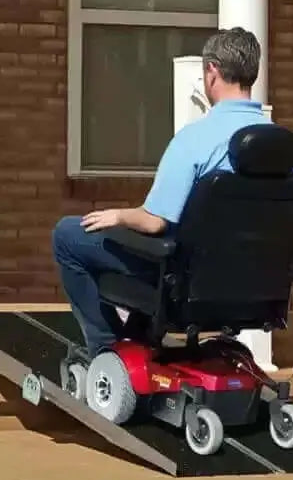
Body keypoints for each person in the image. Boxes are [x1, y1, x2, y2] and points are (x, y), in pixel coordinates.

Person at [52, 27, 273, 356]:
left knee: (68, 235)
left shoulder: (196, 139)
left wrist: (118, 216)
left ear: (211, 71)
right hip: (253, 285)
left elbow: (154, 221)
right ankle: (140, 337)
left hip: (185, 281)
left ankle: (105, 349)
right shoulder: (284, 151)